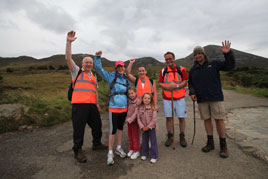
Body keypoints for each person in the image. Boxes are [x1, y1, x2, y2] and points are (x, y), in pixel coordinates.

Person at [188, 41, 235, 158]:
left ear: (203, 54)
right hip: (202, 99)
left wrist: (228, 54)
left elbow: (230, 66)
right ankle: (210, 143)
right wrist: (192, 92)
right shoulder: (193, 69)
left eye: (199, 53)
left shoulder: (214, 63)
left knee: (219, 120)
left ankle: (223, 145)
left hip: (215, 97)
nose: (197, 56)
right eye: (195, 54)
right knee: (207, 120)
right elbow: (191, 83)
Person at [65, 31, 107, 163]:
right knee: (79, 129)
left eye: (90, 62)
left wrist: (97, 104)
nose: (89, 64)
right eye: (86, 62)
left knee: (97, 125)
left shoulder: (93, 77)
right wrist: (68, 42)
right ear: (82, 64)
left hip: (92, 105)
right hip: (79, 105)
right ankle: (77, 150)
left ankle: (96, 143)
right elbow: (68, 58)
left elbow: (95, 92)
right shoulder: (76, 72)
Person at [94, 51, 131, 165]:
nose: (121, 68)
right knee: (112, 130)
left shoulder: (126, 79)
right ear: (116, 68)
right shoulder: (111, 77)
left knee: (120, 128)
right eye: (119, 66)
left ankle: (118, 148)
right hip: (114, 108)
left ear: (124, 68)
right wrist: (97, 57)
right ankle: (110, 152)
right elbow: (99, 70)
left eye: (122, 66)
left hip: (124, 108)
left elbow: (130, 93)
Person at [158, 52, 188, 148]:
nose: (168, 61)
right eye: (166, 59)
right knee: (168, 118)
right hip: (167, 98)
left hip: (180, 98)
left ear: (174, 58)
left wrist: (176, 86)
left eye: (170, 58)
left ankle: (182, 136)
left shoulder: (181, 69)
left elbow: (185, 81)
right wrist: (168, 87)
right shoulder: (163, 70)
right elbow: (160, 83)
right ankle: (170, 136)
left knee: (181, 118)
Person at [137, 93, 158, 163]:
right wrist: (142, 126)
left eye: (148, 98)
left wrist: (148, 127)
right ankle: (144, 153)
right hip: (143, 127)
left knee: (153, 141)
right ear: (142, 99)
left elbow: (154, 119)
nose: (146, 99)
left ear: (151, 100)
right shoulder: (140, 108)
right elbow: (138, 118)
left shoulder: (153, 108)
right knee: (144, 141)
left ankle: (154, 156)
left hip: (151, 128)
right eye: (145, 98)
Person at [125, 86, 140, 160]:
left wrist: (130, 119)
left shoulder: (138, 101)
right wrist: (127, 119)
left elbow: (136, 113)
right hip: (129, 122)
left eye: (132, 93)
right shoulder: (128, 101)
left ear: (136, 93)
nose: (131, 95)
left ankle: (136, 150)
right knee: (130, 136)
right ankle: (131, 149)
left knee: (135, 136)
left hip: (134, 122)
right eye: (129, 94)